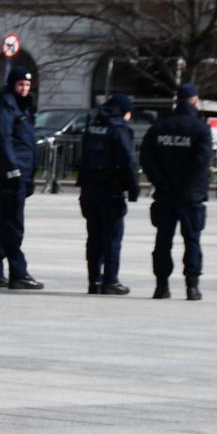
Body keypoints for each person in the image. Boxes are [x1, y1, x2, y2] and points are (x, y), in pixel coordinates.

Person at [139, 83, 213, 301]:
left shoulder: (160, 126)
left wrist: (161, 181)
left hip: (165, 193)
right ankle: (192, 287)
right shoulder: (200, 128)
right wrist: (184, 182)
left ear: (176, 101)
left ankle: (161, 286)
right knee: (192, 240)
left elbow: (146, 158)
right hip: (190, 194)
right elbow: (201, 160)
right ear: (195, 101)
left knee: (163, 240)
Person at [0, 65, 40, 290]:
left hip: (22, 170)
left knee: (5, 222)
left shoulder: (21, 105)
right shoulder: (5, 105)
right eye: (20, 84)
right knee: (14, 224)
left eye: (27, 85)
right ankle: (18, 272)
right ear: (12, 84)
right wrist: (12, 169)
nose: (24, 88)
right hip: (12, 172)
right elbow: (3, 138)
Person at [76, 94, 139, 295]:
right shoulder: (119, 129)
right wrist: (133, 187)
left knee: (94, 236)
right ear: (124, 112)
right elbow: (127, 161)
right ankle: (110, 280)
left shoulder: (94, 125)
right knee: (112, 237)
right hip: (111, 189)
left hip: (89, 189)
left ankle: (94, 280)